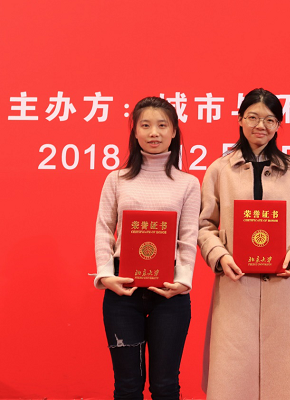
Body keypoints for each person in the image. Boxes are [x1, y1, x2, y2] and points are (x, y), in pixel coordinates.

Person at [198, 88, 290, 400]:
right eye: (253, 117)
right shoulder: (219, 170)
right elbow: (203, 226)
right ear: (240, 119)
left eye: (270, 120)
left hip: (286, 288)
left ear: (279, 125)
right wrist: (220, 255)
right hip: (235, 286)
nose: (261, 126)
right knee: (233, 380)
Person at [94, 96, 201, 399]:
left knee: (166, 385)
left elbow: (188, 236)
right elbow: (104, 230)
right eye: (145, 125)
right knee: (127, 386)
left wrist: (183, 280)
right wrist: (106, 275)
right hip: (122, 292)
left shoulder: (188, 183)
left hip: (170, 292)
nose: (154, 132)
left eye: (162, 125)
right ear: (135, 131)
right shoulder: (116, 179)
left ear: (174, 131)